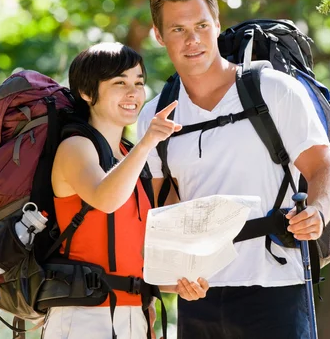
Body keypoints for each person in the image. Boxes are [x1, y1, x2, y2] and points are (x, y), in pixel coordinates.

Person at [137, 0, 330, 339]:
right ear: (158, 35)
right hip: (199, 294)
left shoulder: (274, 89)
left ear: (217, 24)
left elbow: (322, 168)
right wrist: (177, 272)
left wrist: (319, 212)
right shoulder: (157, 115)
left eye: (201, 25)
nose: (193, 39)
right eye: (178, 29)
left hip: (277, 284)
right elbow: (165, 203)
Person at [45, 42, 209, 339]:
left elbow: (134, 249)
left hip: (136, 315)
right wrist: (148, 143)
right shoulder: (75, 147)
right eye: (119, 83)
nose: (133, 93)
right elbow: (105, 199)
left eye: (138, 82)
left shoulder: (130, 155)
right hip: (83, 316)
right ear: (86, 92)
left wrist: (175, 283)